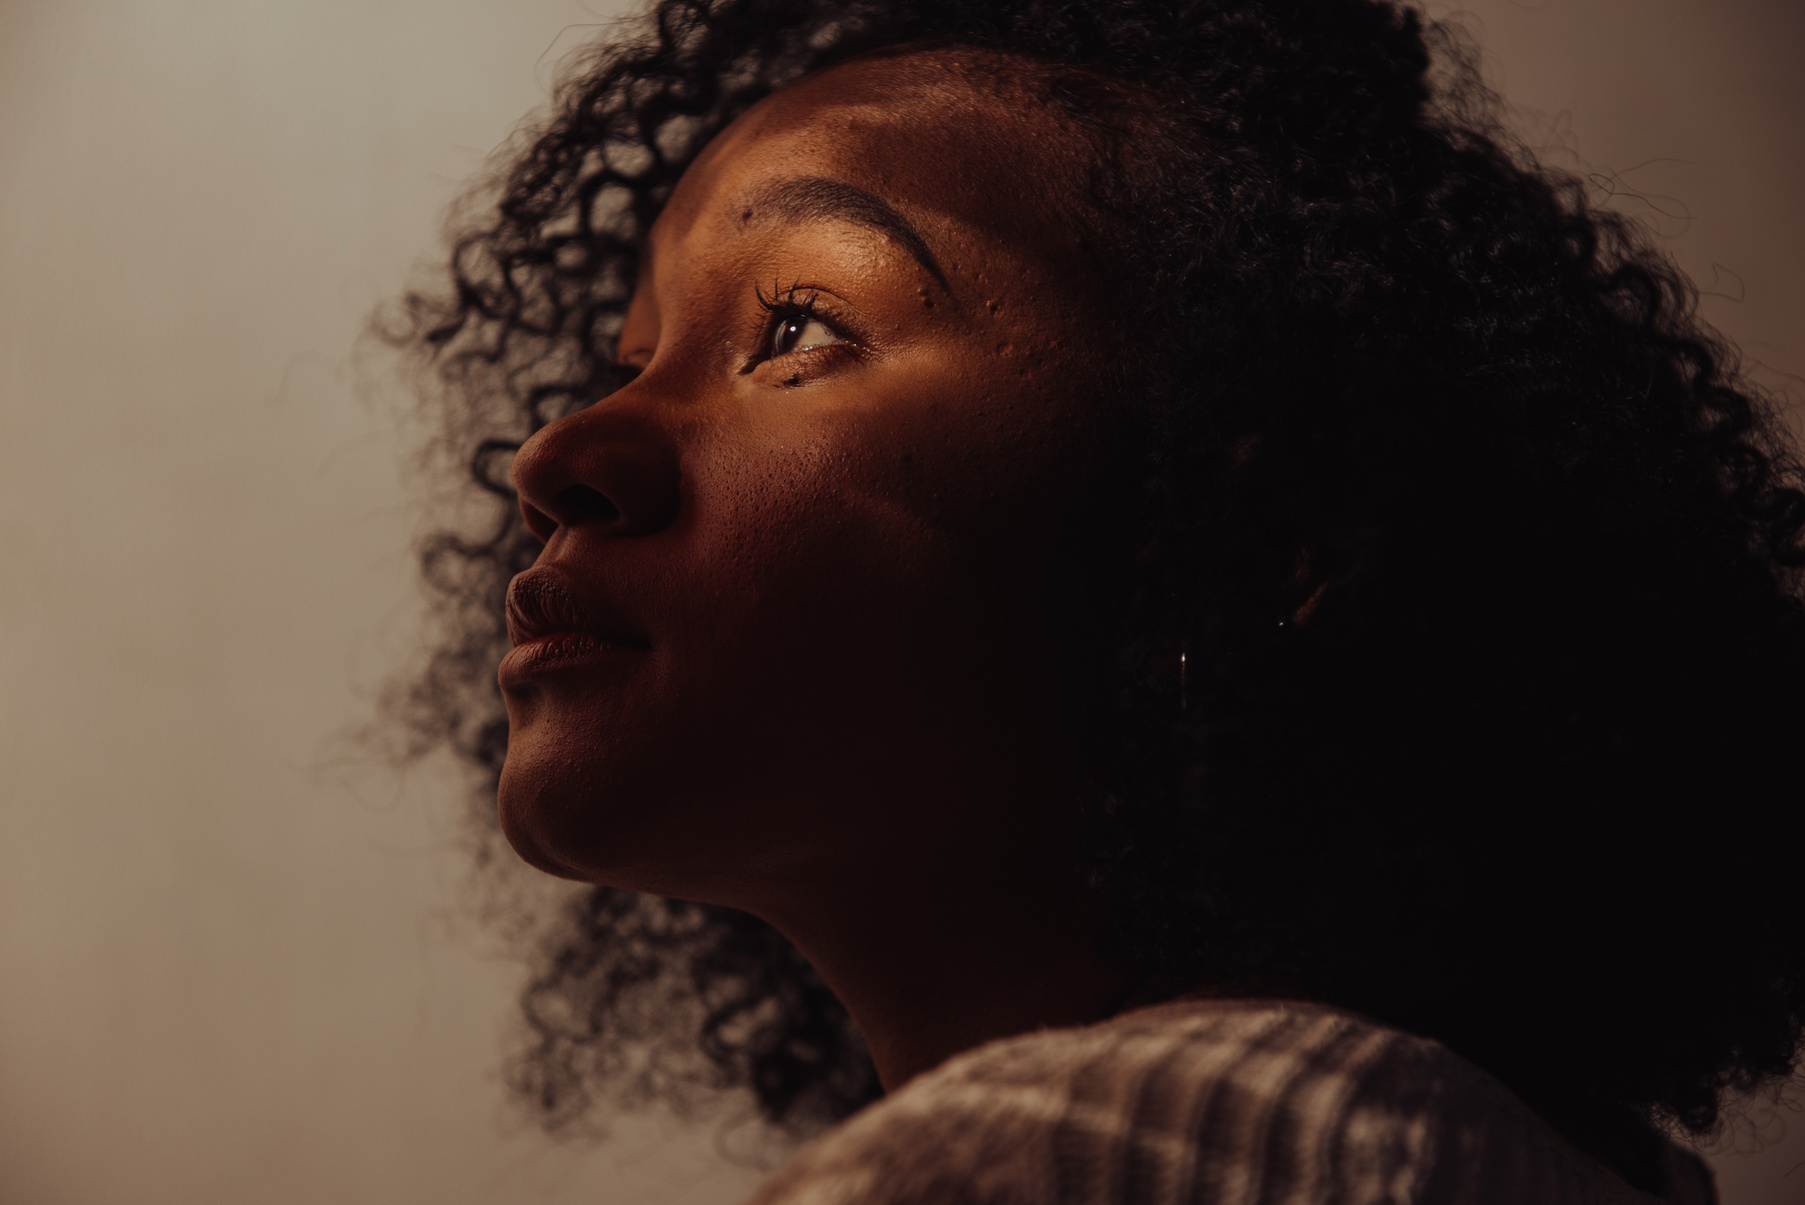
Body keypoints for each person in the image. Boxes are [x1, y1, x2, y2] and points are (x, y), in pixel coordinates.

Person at [384, 1, 1805, 1200]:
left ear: (1265, 534)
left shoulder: (1128, 1141)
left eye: (793, 327)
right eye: (633, 358)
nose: (560, 454)